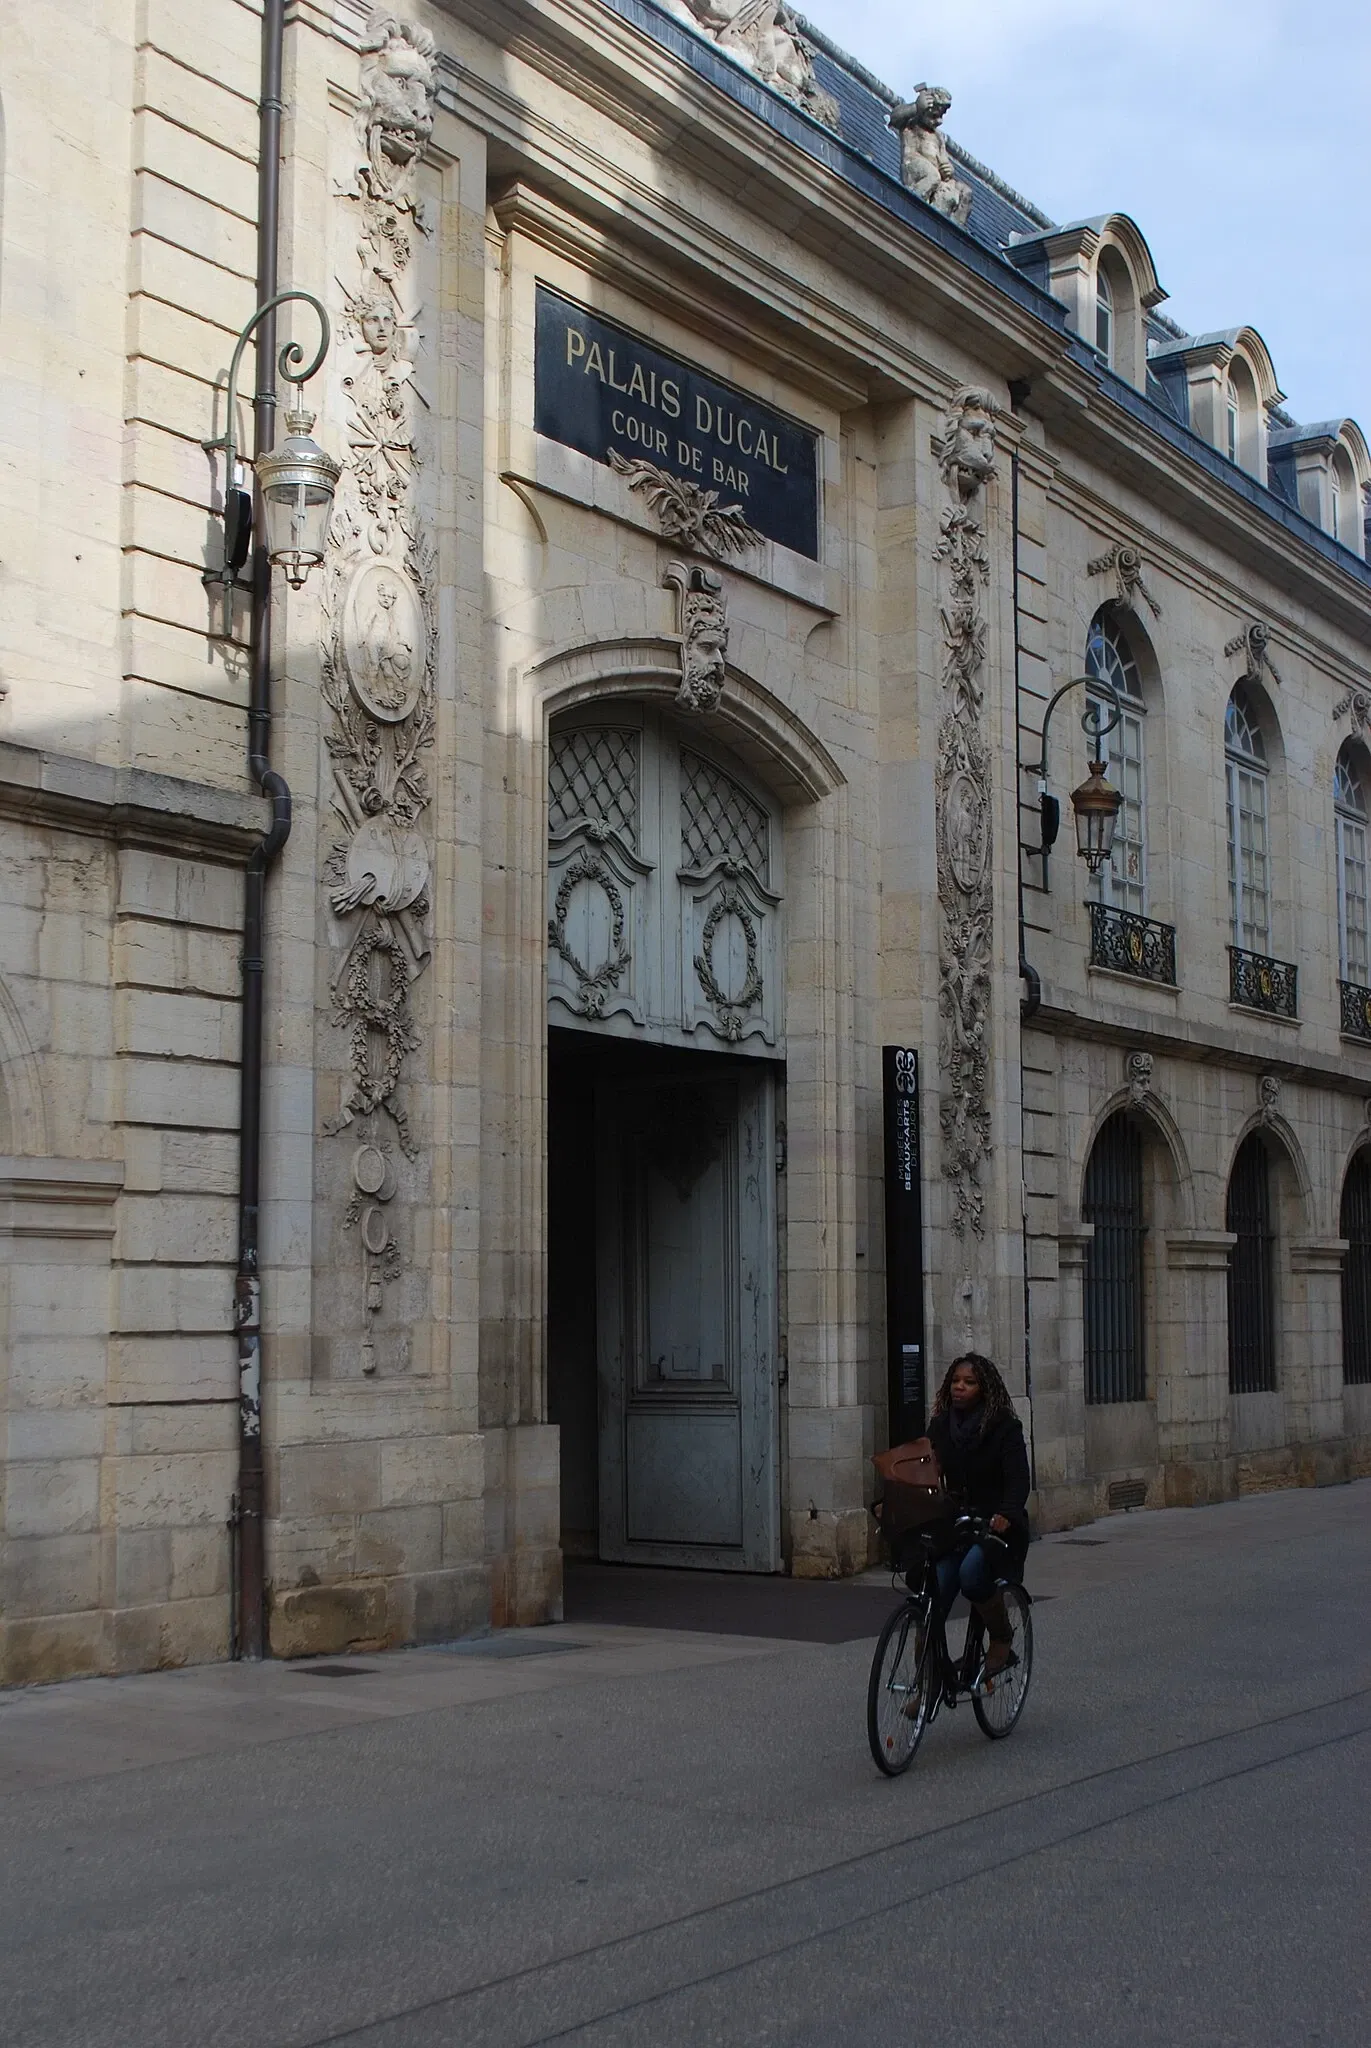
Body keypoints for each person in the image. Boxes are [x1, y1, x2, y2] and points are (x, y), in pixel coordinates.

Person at [925, 1352, 1030, 1677]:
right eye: (956, 1381)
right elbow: (925, 1469)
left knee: (971, 1573)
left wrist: (1006, 1513)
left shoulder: (1004, 1427)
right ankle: (927, 1683)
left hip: (995, 1527)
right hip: (956, 1526)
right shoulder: (940, 1426)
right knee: (933, 1592)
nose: (960, 1387)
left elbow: (1018, 1479)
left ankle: (1001, 1637)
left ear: (984, 1388)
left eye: (969, 1382)